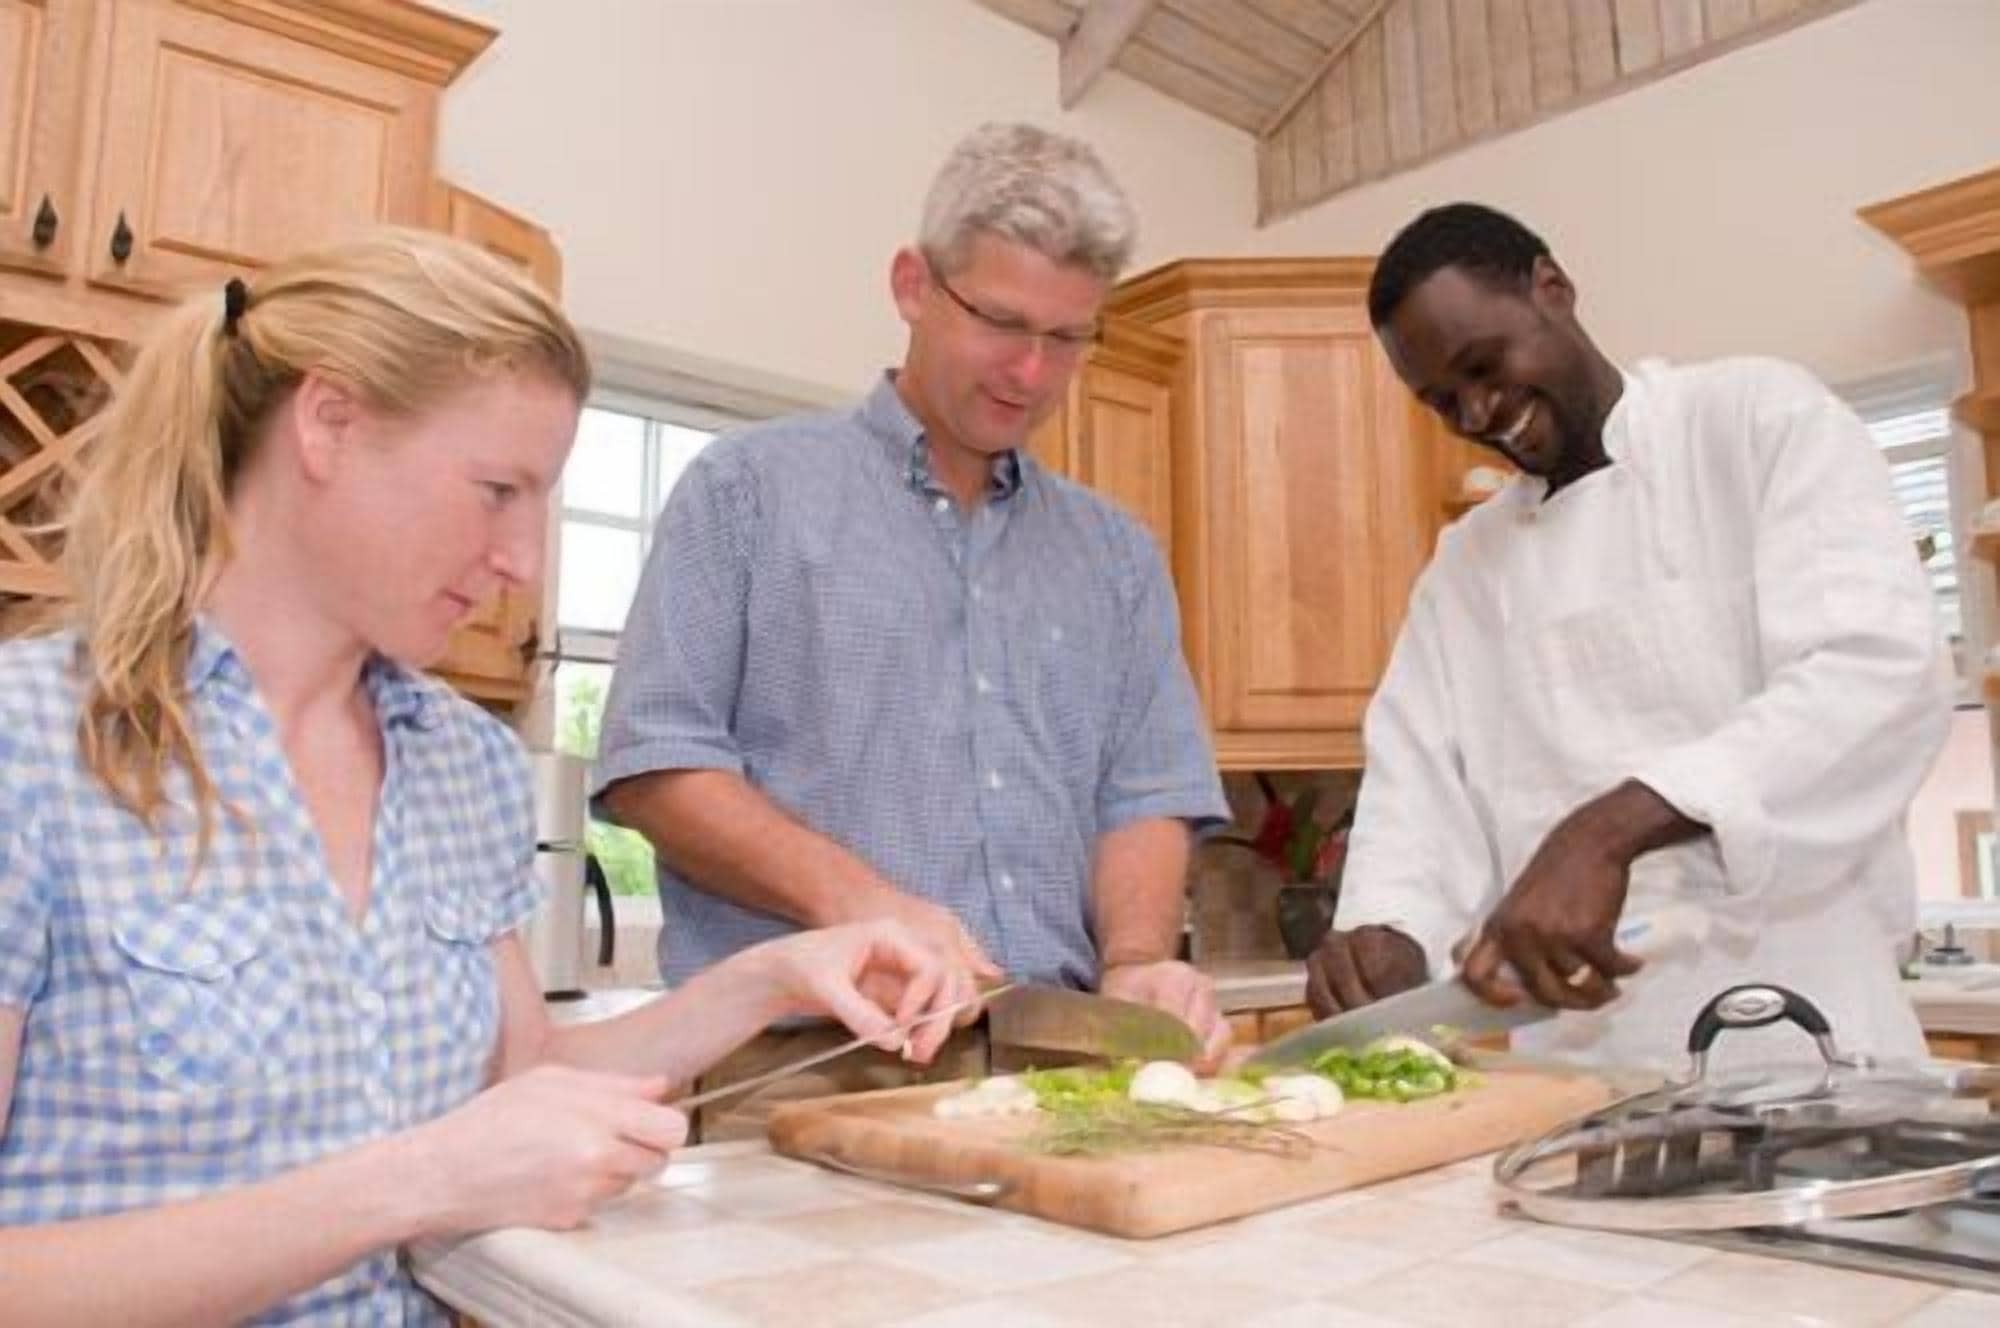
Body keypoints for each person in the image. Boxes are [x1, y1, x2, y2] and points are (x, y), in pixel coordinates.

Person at [0, 229, 966, 1326]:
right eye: (496, 489)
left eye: (541, 503)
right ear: (328, 422)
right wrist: (419, 1178)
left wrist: (779, 975)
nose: (524, 561)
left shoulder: (463, 760)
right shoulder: (32, 743)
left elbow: (529, 1068)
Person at [593, 123, 1231, 1134]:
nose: (1030, 370)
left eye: (1066, 337)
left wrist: (1139, 960)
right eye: (1001, 321)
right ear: (911, 285)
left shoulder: (1116, 554)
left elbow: (1146, 789)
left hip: (1061, 1057)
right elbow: (653, 760)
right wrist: (863, 902)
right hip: (802, 1057)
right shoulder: (745, 492)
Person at [1305, 203, 1951, 1071]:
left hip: (1815, 1041)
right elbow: (1420, 786)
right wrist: (1385, 928)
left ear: (1552, 289)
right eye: (1442, 400)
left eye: (1484, 365)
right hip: (1580, 1080)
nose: (1478, 410)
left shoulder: (1755, 421)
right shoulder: (1466, 568)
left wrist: (1607, 830)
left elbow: (1871, 678)